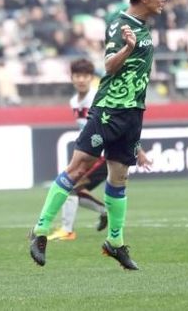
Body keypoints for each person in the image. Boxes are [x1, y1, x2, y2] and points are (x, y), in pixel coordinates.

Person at [28, 0, 161, 270]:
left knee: (119, 178)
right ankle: (40, 230)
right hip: (109, 109)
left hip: (133, 112)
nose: (162, 0)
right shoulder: (120, 24)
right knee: (78, 168)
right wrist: (128, 48)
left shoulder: (143, 26)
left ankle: (115, 243)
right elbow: (109, 65)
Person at [48, 58, 108, 241]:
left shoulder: (97, 97)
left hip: (103, 154)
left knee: (69, 187)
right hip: (88, 154)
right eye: (77, 76)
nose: (81, 79)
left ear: (91, 78)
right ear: (72, 78)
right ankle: (105, 211)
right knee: (75, 191)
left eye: (85, 76)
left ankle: (67, 230)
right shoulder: (74, 101)